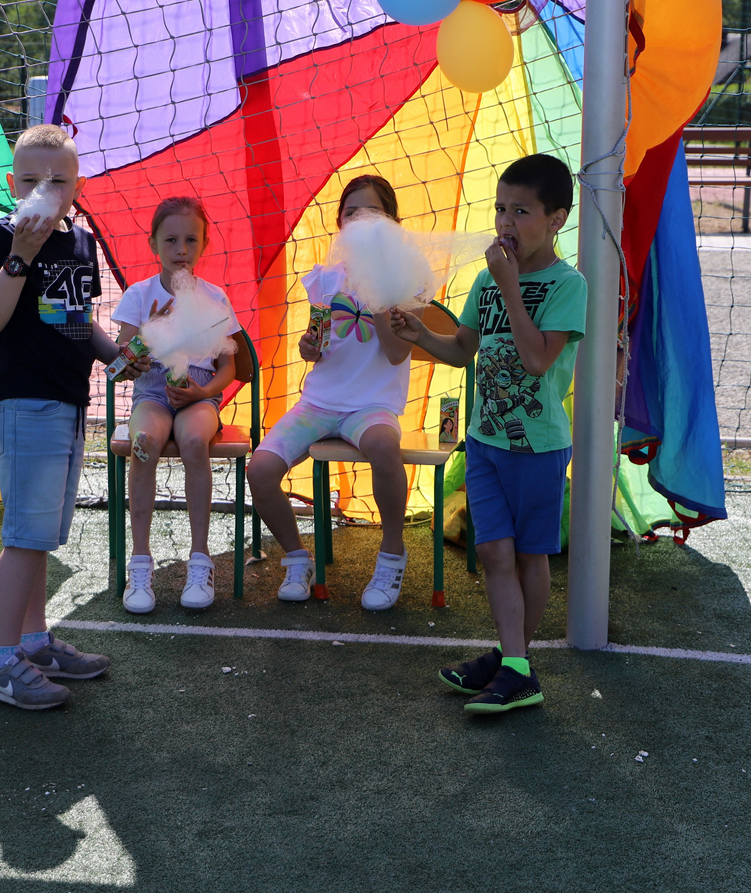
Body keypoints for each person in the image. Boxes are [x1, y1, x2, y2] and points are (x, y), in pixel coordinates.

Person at [391, 153, 587, 714]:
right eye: (501, 208)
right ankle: (513, 661)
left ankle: (515, 665)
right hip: (484, 443)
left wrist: (510, 288)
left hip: (537, 448)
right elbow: (462, 350)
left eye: (521, 211)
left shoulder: (567, 285)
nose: (505, 222)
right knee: (493, 552)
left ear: (556, 219)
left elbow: (536, 360)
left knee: (528, 556)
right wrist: (419, 335)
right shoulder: (486, 280)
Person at [0, 123, 118, 710]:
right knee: (25, 537)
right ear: (12, 184)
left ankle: (32, 643)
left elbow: (73, 319)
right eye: (30, 179)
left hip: (67, 403)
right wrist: (20, 259)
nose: (43, 190)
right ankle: (1, 661)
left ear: (78, 188)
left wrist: (118, 359)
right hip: (24, 401)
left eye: (57, 181)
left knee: (40, 538)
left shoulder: (80, 243)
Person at [247, 175, 414, 611]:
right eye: (351, 213)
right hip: (319, 404)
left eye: (372, 213)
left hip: (372, 406)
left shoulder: (404, 280)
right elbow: (317, 342)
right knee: (259, 471)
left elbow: (397, 353)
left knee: (384, 446)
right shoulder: (325, 279)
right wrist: (309, 347)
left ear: (392, 223)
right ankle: (298, 559)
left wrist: (379, 294)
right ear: (339, 223)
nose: (360, 222)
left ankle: (391, 554)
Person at [111, 197, 242, 613]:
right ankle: (140, 564)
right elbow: (119, 365)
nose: (181, 249)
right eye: (171, 240)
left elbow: (229, 367)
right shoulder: (138, 295)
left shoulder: (215, 297)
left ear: (203, 245)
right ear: (153, 243)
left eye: (190, 240)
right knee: (144, 443)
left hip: (199, 393)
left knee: (194, 440)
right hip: (152, 392)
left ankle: (200, 561)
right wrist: (147, 335)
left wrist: (203, 394)